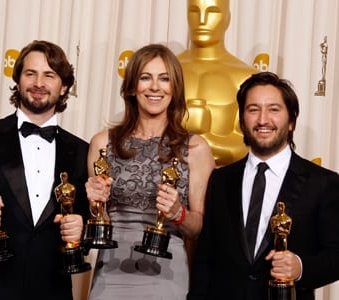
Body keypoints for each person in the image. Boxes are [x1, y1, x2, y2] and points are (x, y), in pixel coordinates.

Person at [188, 71, 339, 300]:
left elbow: (336, 256)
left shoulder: (323, 183)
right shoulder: (221, 179)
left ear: (291, 121)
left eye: (274, 109)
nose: (262, 120)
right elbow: (205, 259)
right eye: (253, 109)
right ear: (241, 120)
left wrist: (300, 267)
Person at [0, 40, 89, 300]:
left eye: (49, 75)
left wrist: (81, 230)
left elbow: (84, 219)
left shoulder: (82, 151)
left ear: (64, 86)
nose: (39, 83)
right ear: (18, 80)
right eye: (30, 73)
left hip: (52, 291)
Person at [85, 43, 215, 299]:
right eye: (146, 77)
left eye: (164, 79)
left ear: (175, 88)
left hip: (165, 272)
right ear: (133, 87)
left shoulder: (195, 147)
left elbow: (198, 228)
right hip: (111, 270)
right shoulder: (102, 143)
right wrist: (94, 205)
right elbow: (102, 222)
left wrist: (178, 213)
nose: (155, 87)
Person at [178, 0, 258, 167]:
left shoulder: (246, 77)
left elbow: (251, 146)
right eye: (194, 11)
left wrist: (200, 142)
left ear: (227, 18)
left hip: (222, 185)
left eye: (213, 12)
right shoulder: (164, 72)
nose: (202, 19)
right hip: (160, 185)